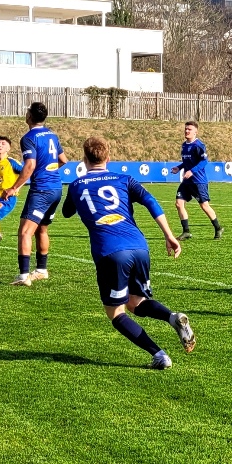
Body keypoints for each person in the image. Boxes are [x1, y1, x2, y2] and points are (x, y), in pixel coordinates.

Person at [62, 135, 195, 369]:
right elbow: (151, 201)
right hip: (139, 246)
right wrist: (169, 235)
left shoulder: (76, 185)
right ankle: (172, 317)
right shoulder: (125, 179)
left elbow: (66, 212)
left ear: (84, 159)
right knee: (136, 302)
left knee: (116, 313)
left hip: (110, 251)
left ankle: (159, 355)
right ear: (109, 157)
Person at [5, 102, 67, 286]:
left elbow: (30, 165)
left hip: (41, 190)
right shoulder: (52, 135)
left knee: (25, 232)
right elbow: (63, 160)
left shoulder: (29, 137)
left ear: (29, 116)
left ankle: (23, 276)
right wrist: (48, 170)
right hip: (56, 188)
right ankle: (41, 270)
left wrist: (14, 187)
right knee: (42, 229)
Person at [171, 121, 223, 240]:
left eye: (189, 129)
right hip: (187, 182)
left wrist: (192, 171)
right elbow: (187, 162)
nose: (186, 131)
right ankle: (186, 232)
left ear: (195, 132)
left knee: (204, 206)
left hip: (198, 181)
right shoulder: (184, 145)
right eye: (186, 129)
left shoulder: (198, 145)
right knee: (179, 204)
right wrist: (179, 168)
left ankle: (218, 228)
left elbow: (204, 161)